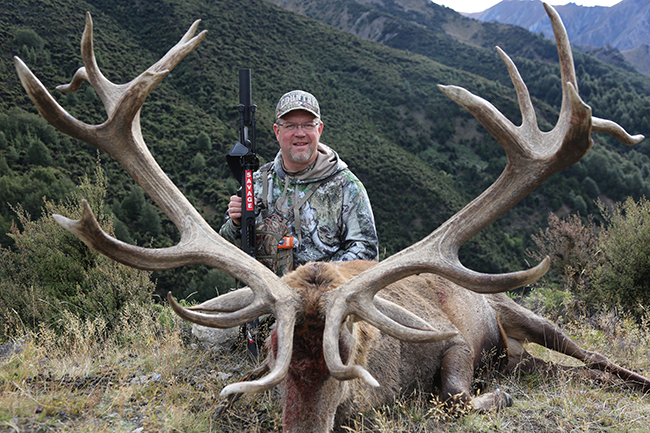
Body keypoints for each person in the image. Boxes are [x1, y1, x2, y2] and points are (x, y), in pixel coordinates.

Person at [219, 90, 379, 271]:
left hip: (326, 294)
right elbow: (225, 246)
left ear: (319, 129)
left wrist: (314, 279)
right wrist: (235, 224)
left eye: (308, 125)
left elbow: (367, 252)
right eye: (290, 126)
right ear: (277, 131)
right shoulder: (254, 184)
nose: (300, 133)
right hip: (268, 294)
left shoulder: (346, 186)